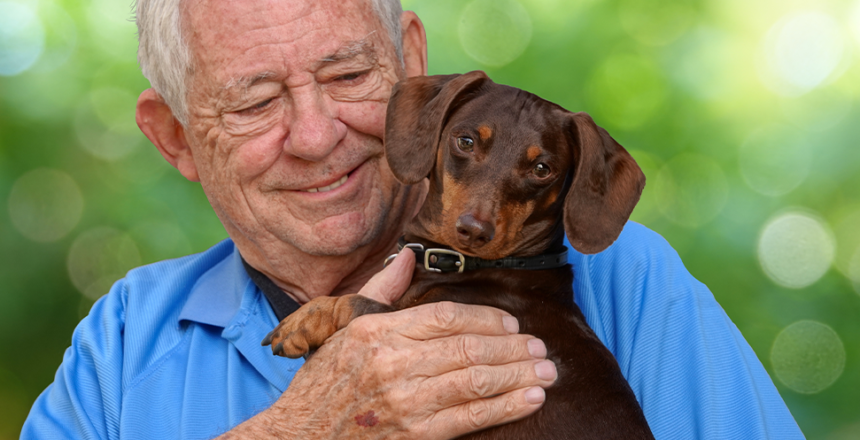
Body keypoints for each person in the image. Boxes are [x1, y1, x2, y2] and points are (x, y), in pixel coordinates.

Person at [22, 0, 804, 438]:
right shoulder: (122, 347)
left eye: (351, 73)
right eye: (256, 101)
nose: (318, 134)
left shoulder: (623, 283)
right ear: (176, 138)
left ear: (413, 63)